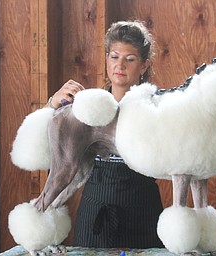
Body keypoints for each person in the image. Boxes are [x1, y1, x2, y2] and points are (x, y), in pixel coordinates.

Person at [45, 20, 164, 248]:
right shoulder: (86, 109)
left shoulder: (158, 108)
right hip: (95, 216)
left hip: (145, 216)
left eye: (130, 59)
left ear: (144, 65)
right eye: (114, 56)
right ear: (107, 58)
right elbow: (42, 144)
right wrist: (52, 104)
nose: (120, 65)